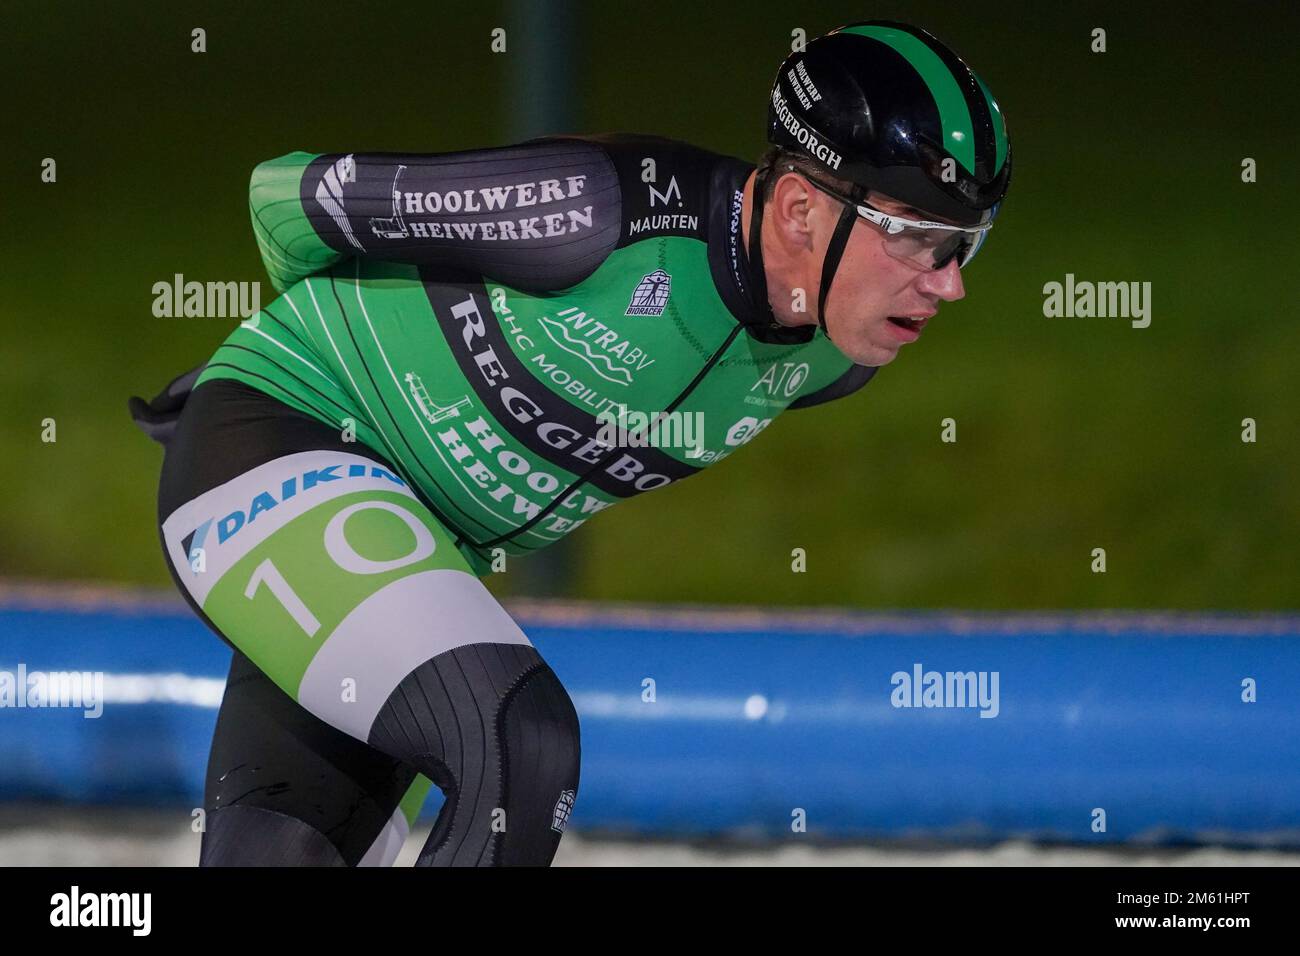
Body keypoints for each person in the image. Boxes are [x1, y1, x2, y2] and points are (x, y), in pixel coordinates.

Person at [128, 19, 1011, 866]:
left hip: (416, 553)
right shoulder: (597, 212)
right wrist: (273, 368)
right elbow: (284, 199)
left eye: (967, 240)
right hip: (282, 439)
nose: (952, 283)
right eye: (920, 236)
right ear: (797, 209)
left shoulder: (833, 359)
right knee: (521, 739)